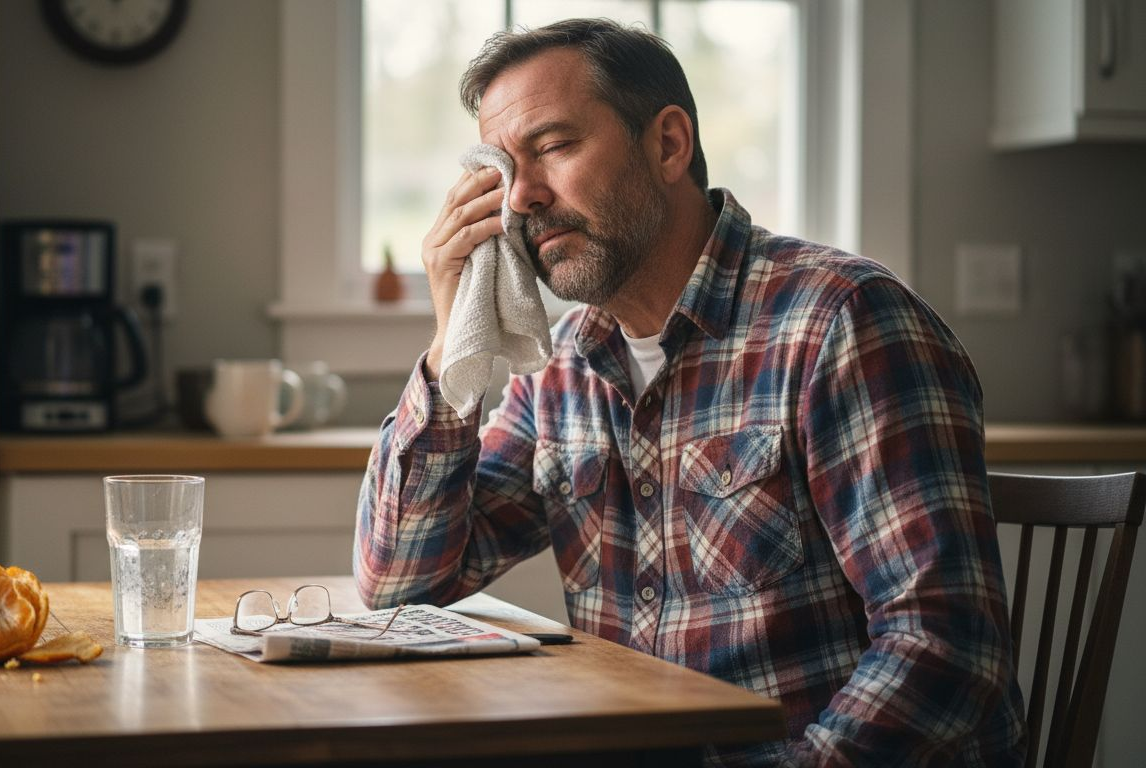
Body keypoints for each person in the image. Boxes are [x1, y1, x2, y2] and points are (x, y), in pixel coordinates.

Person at [353, 18, 1025, 766]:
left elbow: (944, 645)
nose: (523, 198)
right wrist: (454, 346)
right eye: (503, 170)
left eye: (555, 146)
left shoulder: (842, 321)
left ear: (669, 144)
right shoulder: (562, 368)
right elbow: (400, 584)